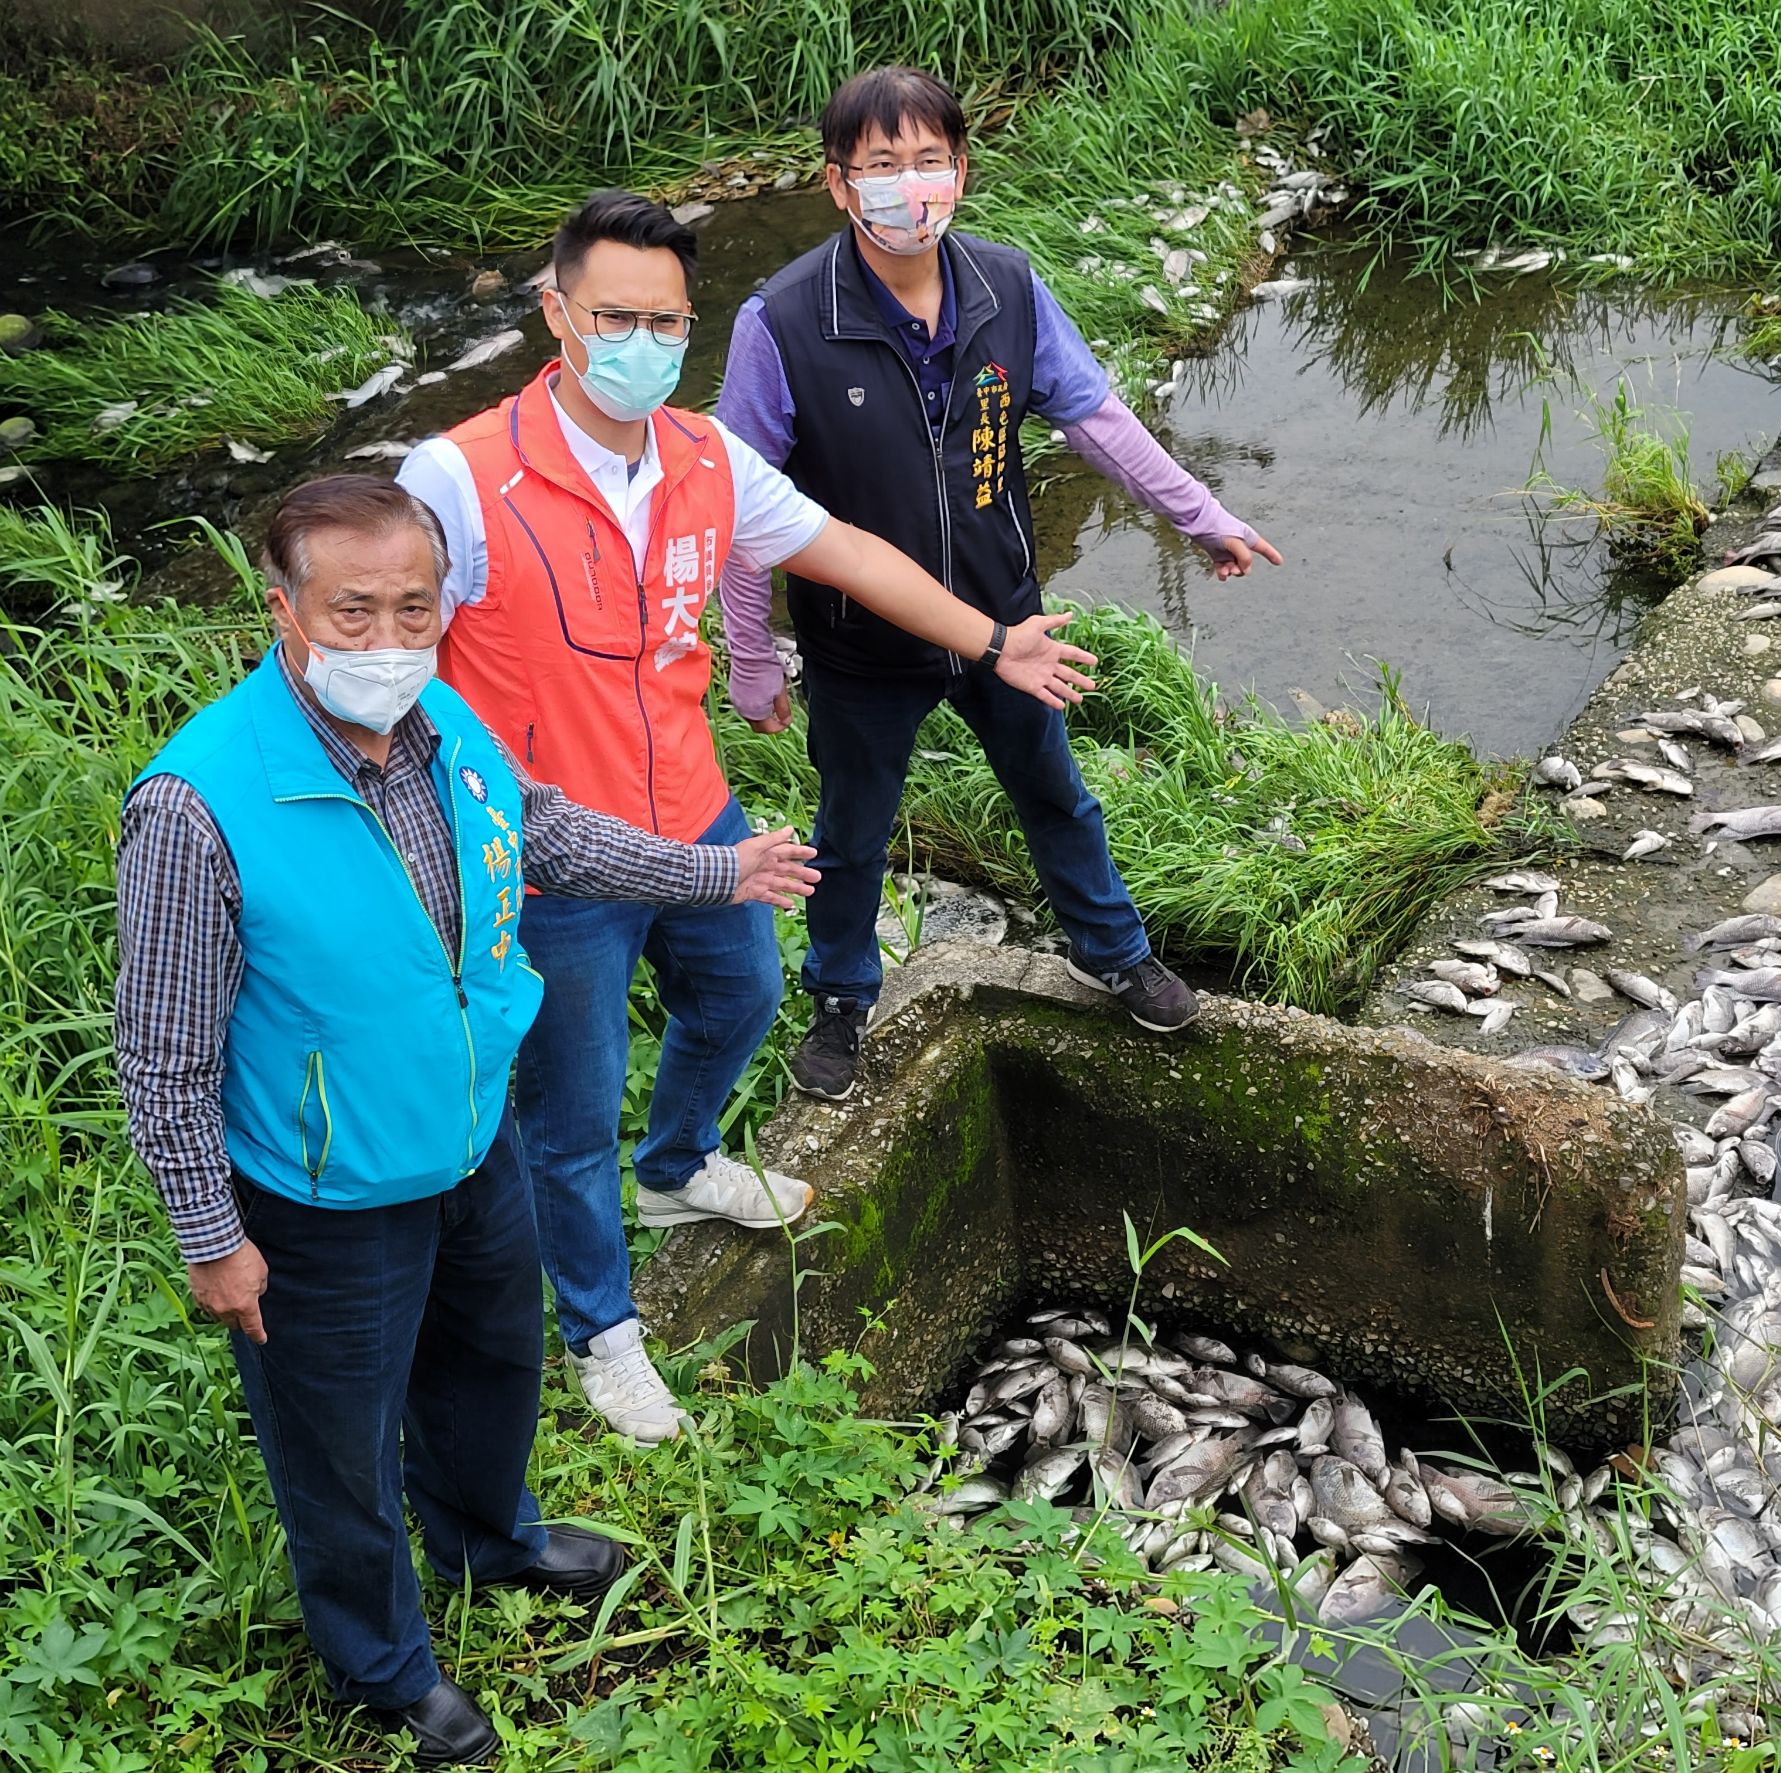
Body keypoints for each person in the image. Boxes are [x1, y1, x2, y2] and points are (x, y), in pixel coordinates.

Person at [114, 477, 824, 1764]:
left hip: (468, 1133)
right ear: (283, 612)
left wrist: (721, 870)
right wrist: (212, 1236)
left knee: (494, 1362)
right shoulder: (200, 802)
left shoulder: (444, 718)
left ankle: (491, 1537)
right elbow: (161, 1060)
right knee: (337, 1446)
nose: (388, 642)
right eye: (353, 612)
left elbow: (542, 831)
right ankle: (382, 1665)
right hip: (321, 1190)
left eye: (413, 610)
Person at [398, 190, 1094, 1443]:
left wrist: (992, 642)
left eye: (667, 320)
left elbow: (855, 554)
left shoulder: (706, 460)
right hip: (553, 853)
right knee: (568, 1110)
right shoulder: (457, 478)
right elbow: (388, 661)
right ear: (555, 312)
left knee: (743, 999)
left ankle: (673, 1170)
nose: (643, 342)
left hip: (698, 821)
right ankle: (603, 1333)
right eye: (616, 314)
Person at [714, 66, 1286, 1105]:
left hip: (1005, 622)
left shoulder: (1007, 289)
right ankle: (842, 997)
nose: (910, 184)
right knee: (851, 829)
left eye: (929, 160)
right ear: (840, 184)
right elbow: (736, 508)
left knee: (1055, 793)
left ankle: (1109, 951)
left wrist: (1203, 515)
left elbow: (1095, 418)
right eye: (883, 165)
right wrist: (749, 656)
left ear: (962, 171)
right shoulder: (783, 321)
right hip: (859, 643)